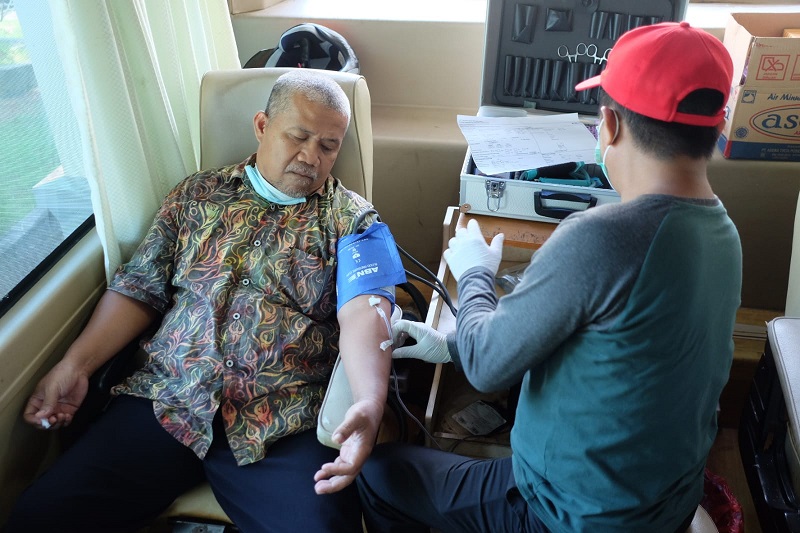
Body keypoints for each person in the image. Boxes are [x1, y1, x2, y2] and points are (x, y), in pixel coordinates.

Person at [357, 21, 742, 533]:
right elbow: (618, 344)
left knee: (380, 474)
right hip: (664, 502)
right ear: (718, 126)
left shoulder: (600, 237)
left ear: (609, 125)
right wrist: (452, 346)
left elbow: (487, 368)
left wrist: (474, 274)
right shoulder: (724, 234)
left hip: (572, 515)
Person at [5, 70, 403, 533]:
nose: (311, 157)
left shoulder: (355, 222)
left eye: (329, 146)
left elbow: (367, 313)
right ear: (262, 126)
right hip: (168, 399)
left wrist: (369, 401)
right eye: (298, 137)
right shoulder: (196, 195)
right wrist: (75, 366)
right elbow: (140, 288)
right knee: (37, 518)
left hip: (281, 417)